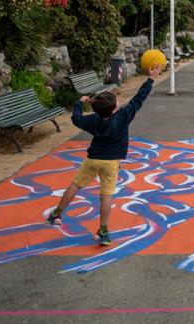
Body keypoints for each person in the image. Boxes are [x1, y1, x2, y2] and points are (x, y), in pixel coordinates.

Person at [46, 64, 164, 245]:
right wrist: (150, 79)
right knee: (106, 196)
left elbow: (76, 118)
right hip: (111, 163)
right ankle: (103, 231)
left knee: (76, 185)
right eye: (116, 101)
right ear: (115, 108)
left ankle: (56, 214)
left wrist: (79, 103)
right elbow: (139, 98)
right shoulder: (124, 116)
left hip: (93, 159)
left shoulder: (93, 120)